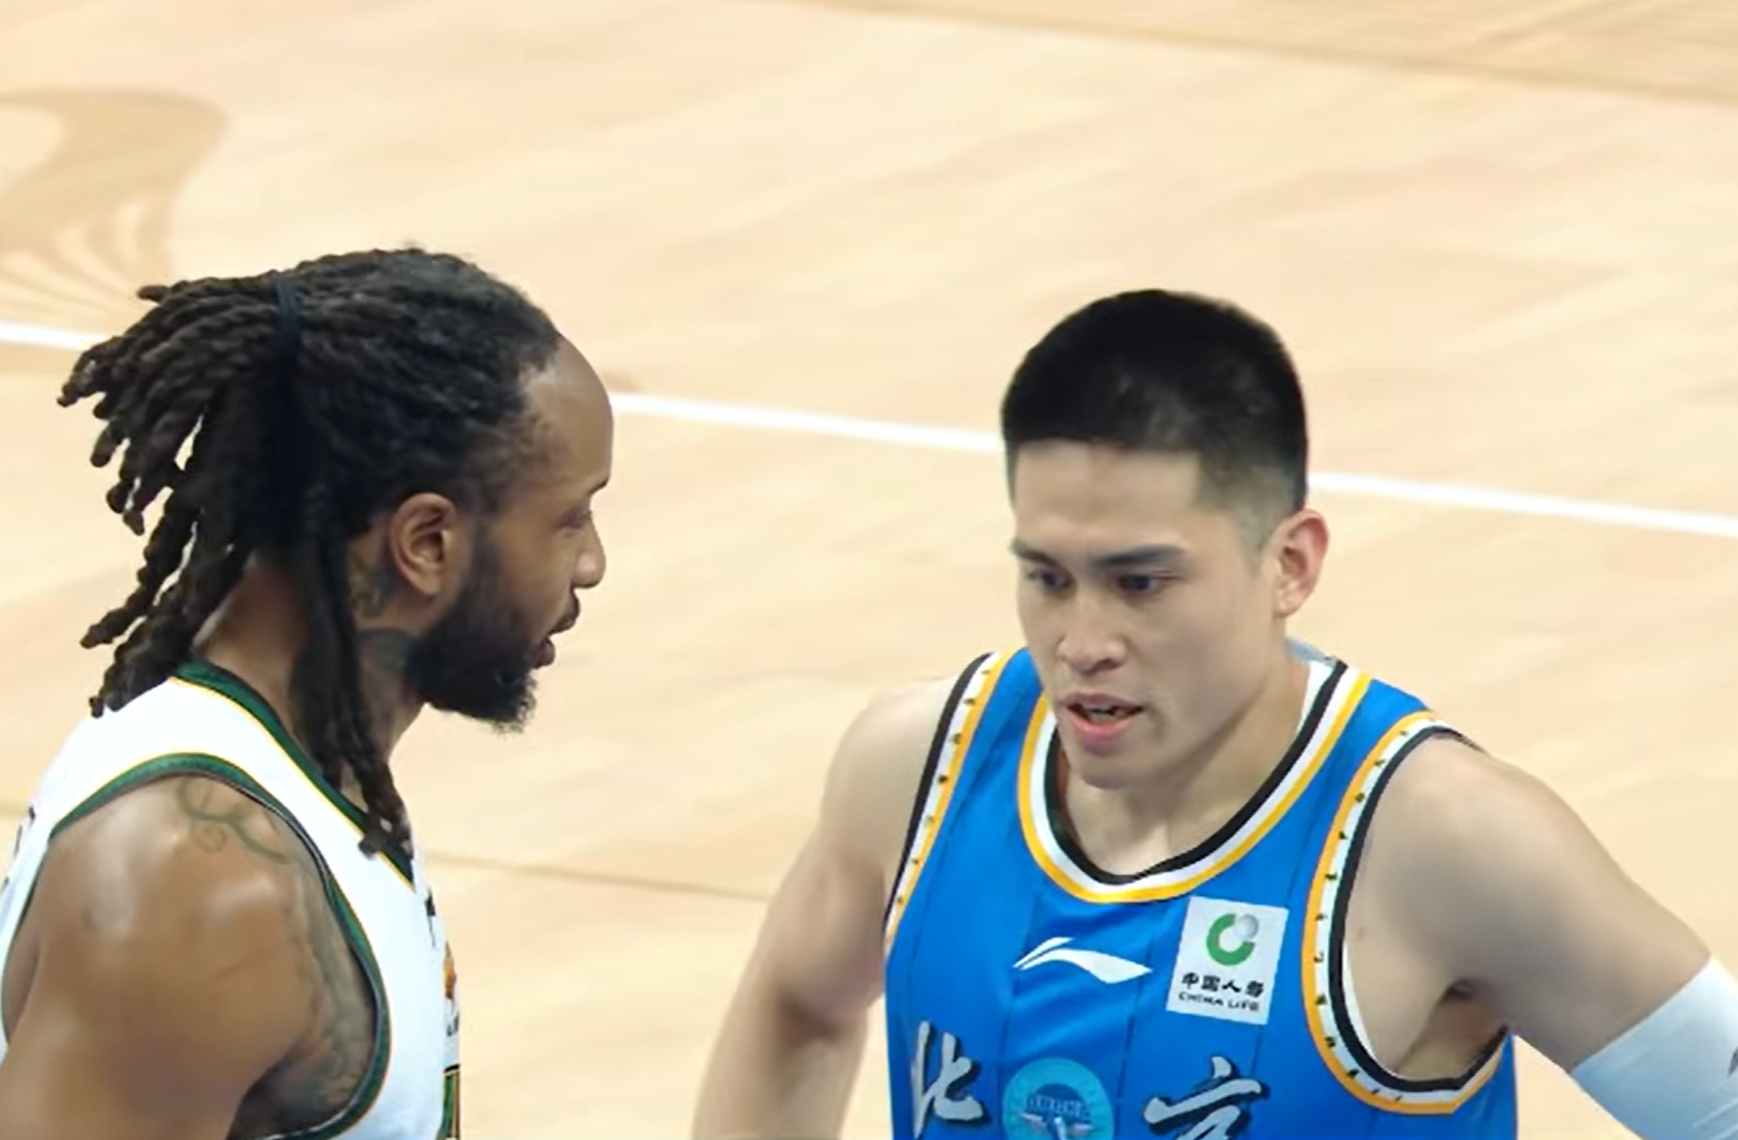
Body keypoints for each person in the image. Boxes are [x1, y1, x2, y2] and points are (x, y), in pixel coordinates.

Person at [691, 288, 1738, 1139]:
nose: (1082, 640)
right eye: (1047, 577)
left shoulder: (1448, 842)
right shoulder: (916, 765)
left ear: (1289, 564)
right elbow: (798, 1006)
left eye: (1139, 583)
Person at [0, 248, 612, 1140]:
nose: (592, 564)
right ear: (427, 543)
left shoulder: (294, 776)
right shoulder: (199, 883)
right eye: (571, 519)